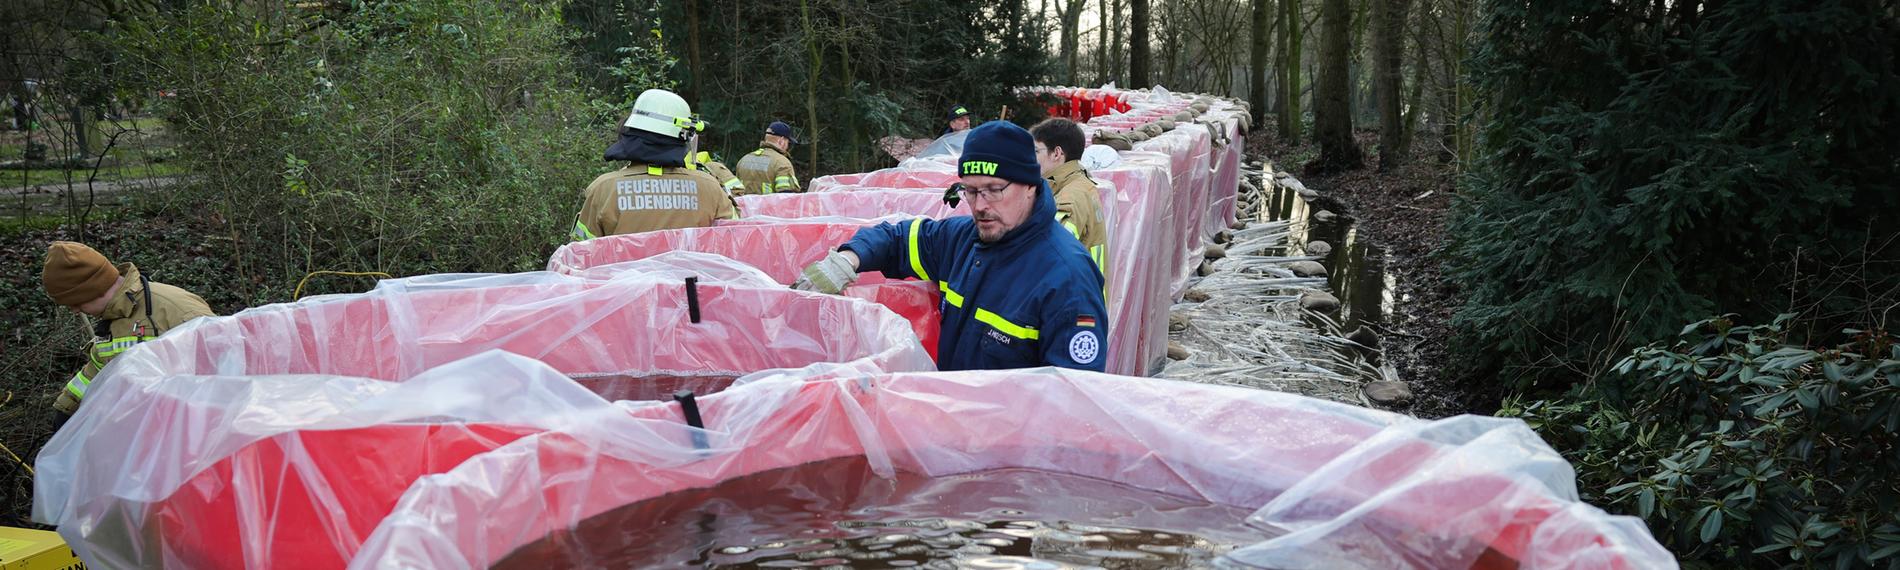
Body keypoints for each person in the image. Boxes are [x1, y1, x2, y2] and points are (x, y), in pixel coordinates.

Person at [792, 121, 1108, 372]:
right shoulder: (963, 239)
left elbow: (1072, 404)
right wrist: (848, 259)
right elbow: (898, 238)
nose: (980, 206)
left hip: (1009, 449)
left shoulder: (1067, 277)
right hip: (952, 433)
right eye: (970, 191)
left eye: (994, 190)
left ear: (1030, 186)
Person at [42, 241, 215, 418]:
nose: (76, 310)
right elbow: (97, 371)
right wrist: (66, 409)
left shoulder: (177, 309)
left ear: (92, 290)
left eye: (76, 303)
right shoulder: (111, 322)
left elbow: (222, 368)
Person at [572, 89, 738, 241]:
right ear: (683, 137)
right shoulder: (710, 188)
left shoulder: (603, 189)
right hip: (690, 275)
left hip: (622, 275)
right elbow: (734, 243)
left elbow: (580, 255)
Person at [1030, 118, 1108, 274]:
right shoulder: (1078, 181)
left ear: (1057, 153)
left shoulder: (1070, 198)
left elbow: (1047, 253)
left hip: (1075, 294)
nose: (1031, 158)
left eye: (1036, 151)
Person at [733, 121, 800, 196]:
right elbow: (787, 197)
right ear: (781, 141)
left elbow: (736, 191)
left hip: (744, 207)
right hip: (770, 207)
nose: (787, 146)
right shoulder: (782, 163)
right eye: (788, 142)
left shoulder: (744, 160)